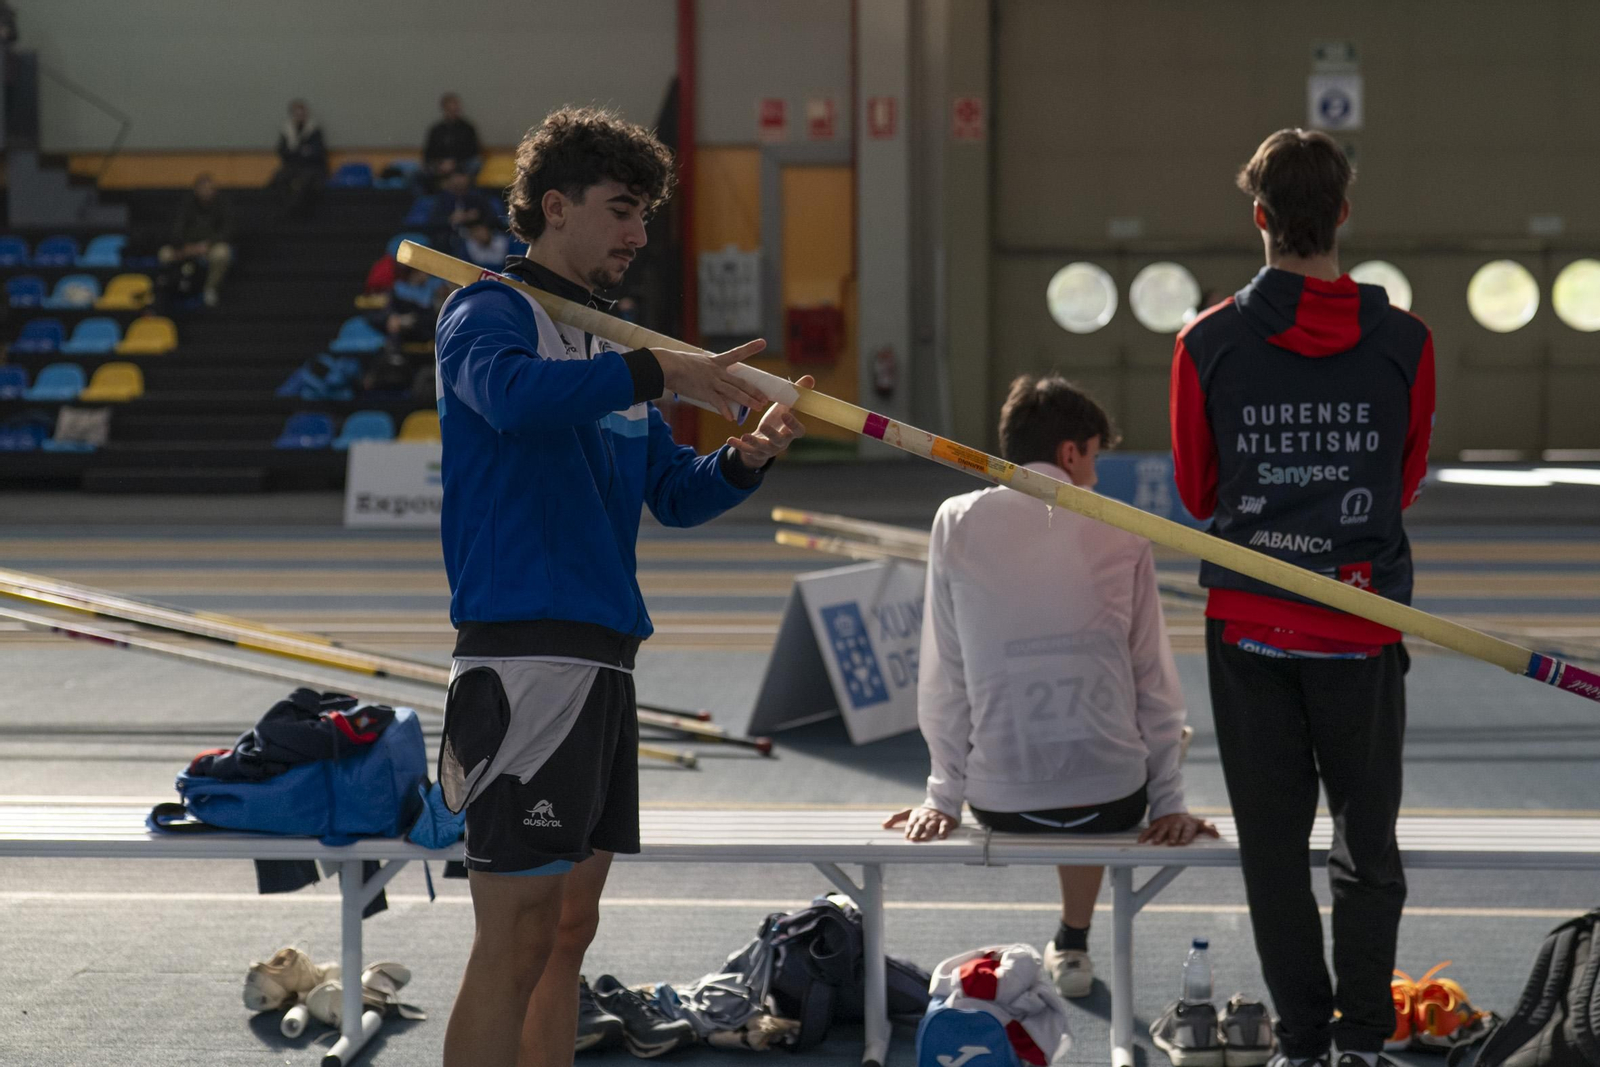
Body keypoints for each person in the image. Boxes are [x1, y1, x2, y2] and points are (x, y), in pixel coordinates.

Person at [433, 105, 812, 1067]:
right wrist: (658, 367)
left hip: (603, 656)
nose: (638, 234)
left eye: (645, 214)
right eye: (620, 210)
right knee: (512, 937)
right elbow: (512, 401)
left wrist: (742, 462)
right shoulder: (487, 310)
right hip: (525, 652)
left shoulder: (611, 348)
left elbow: (668, 499)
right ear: (554, 208)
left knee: (568, 933)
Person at [1169, 129, 1435, 1067]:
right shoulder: (1406, 340)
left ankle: (1303, 1045)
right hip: (1361, 628)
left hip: (1251, 630)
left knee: (1274, 851)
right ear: (1344, 216)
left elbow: (1200, 496)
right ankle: (1361, 1042)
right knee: (1368, 847)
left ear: (1260, 220)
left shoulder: (1205, 341)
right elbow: (1403, 482)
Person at [885, 374, 1214, 1000]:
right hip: (1115, 798)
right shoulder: (1123, 525)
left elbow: (944, 676)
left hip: (1000, 799)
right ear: (1070, 452)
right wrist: (1168, 802)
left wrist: (942, 798)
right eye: (1094, 457)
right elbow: (1155, 682)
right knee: (1115, 724)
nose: (1094, 476)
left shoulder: (955, 520)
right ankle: (1074, 937)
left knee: (1029, 710)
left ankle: (1065, 939)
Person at [159, 174, 233, 307]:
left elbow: (227, 231)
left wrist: (208, 245)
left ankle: (210, 289)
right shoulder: (186, 205)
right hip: (186, 247)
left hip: (209, 246)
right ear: (196, 190)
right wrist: (185, 246)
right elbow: (176, 230)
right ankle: (168, 286)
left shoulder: (222, 205)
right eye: (203, 189)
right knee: (164, 254)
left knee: (223, 253)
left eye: (210, 189)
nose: (206, 192)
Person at [272, 99, 328, 217]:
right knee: (279, 178)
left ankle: (297, 212)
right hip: (292, 167)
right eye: (297, 113)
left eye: (302, 113)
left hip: (312, 168)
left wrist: (297, 152)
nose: (300, 116)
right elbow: (283, 151)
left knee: (304, 182)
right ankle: (285, 210)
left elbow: (317, 152)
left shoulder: (314, 130)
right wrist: (302, 151)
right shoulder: (287, 131)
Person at [424, 91, 482, 183]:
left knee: (475, 163)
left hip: (463, 164)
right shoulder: (436, 130)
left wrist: (455, 163)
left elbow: (473, 151)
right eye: (449, 110)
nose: (453, 113)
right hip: (440, 166)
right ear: (444, 109)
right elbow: (428, 153)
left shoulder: (468, 128)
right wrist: (441, 164)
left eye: (455, 110)